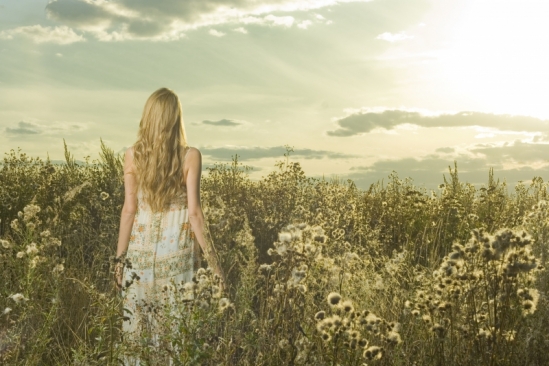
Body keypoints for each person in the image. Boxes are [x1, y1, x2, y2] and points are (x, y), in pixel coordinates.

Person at [113, 87, 226, 348]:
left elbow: (129, 210)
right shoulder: (190, 156)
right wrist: (216, 267)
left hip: (139, 254)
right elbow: (195, 214)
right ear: (175, 118)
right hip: (176, 252)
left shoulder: (132, 155)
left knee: (139, 334)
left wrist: (119, 262)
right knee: (177, 332)